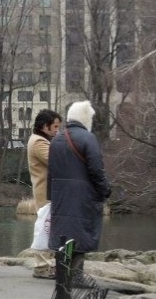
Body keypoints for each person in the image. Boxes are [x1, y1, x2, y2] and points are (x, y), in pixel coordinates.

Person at [47, 101, 112, 280]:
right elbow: (97, 169)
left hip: (61, 197)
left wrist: (51, 196)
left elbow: (50, 172)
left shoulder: (57, 140)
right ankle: (76, 276)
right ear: (86, 118)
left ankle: (62, 273)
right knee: (80, 235)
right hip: (82, 197)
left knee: (64, 234)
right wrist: (105, 190)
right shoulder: (88, 139)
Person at [27, 109, 62, 278]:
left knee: (47, 227)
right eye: (55, 126)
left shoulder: (39, 140)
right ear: (44, 126)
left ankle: (46, 265)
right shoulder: (39, 142)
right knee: (44, 229)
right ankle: (42, 267)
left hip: (45, 191)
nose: (57, 130)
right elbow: (56, 161)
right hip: (44, 192)